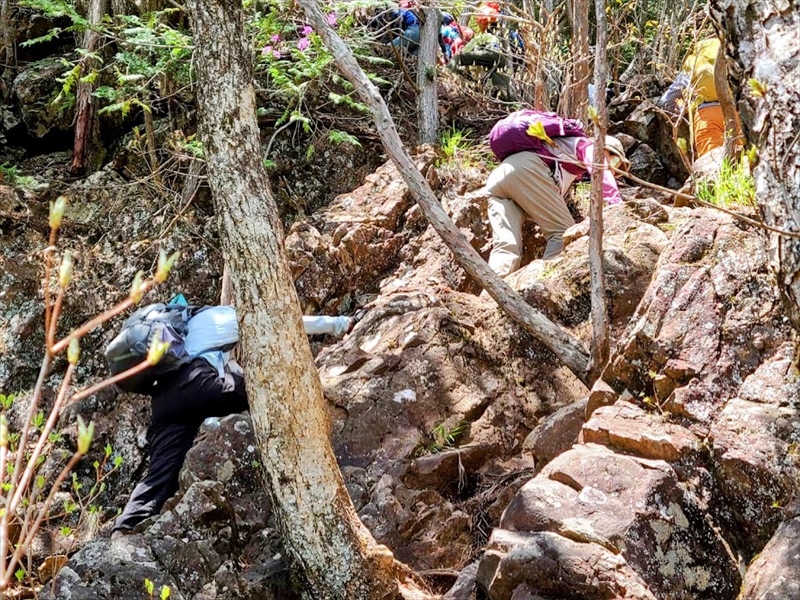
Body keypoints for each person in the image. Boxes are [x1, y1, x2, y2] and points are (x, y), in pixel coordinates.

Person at [112, 309, 355, 534]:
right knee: (261, 389)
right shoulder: (227, 317)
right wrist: (340, 324)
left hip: (164, 401)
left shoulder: (183, 328)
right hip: (196, 383)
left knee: (159, 472)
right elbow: (285, 323)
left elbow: (228, 371)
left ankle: (125, 527)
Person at [483, 110, 630, 277]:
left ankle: (491, 288)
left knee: (506, 247)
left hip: (499, 180)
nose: (614, 169)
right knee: (562, 234)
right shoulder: (586, 146)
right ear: (604, 150)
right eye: (615, 161)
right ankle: (541, 285)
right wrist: (616, 205)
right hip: (527, 170)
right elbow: (600, 171)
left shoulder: (566, 160)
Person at [658, 37, 725, 158]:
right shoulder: (734, 59)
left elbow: (666, 101)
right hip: (737, 115)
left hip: (706, 116)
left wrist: (684, 112)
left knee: (713, 163)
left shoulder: (695, 63)